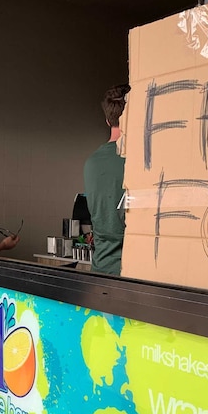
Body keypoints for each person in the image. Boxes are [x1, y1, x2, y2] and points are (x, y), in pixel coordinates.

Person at [83, 84, 131, 276]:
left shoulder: (91, 162)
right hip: (130, 273)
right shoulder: (138, 163)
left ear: (107, 120)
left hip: (100, 269)